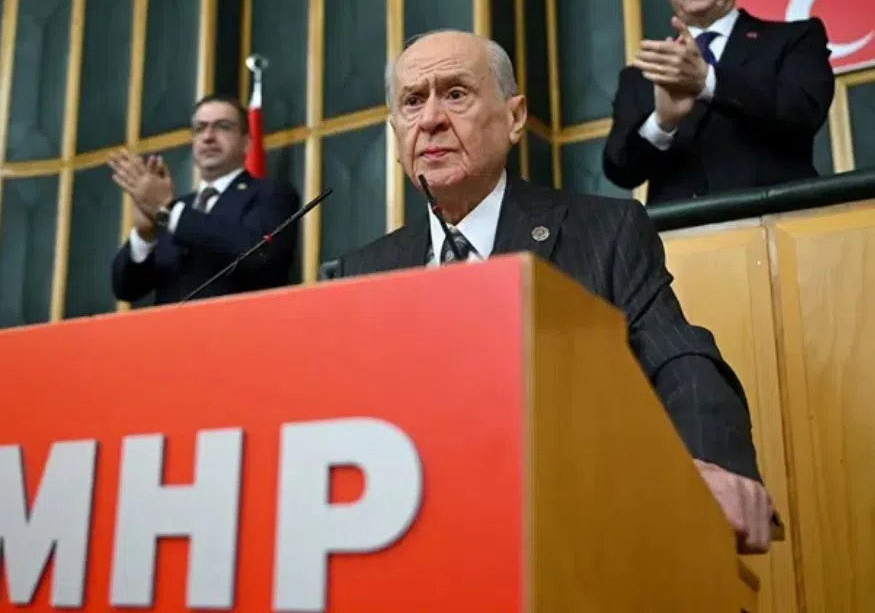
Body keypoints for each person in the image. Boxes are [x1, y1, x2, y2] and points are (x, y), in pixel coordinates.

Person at [331, 29, 775, 553]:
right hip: (407, 539)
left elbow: (679, 355)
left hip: (564, 533)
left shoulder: (604, 232)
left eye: (455, 93)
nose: (430, 119)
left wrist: (710, 462)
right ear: (396, 131)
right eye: (412, 101)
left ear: (515, 117)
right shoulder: (361, 273)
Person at [603, 0, 835, 204]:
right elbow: (620, 170)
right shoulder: (643, 74)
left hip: (775, 218)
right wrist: (662, 123)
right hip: (680, 229)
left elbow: (802, 114)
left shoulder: (795, 39)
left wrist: (708, 83)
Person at [108, 95, 301, 304]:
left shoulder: (272, 195)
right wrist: (145, 235)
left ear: (246, 143)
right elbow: (125, 289)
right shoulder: (175, 208)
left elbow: (259, 255)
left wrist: (169, 211)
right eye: (200, 128)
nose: (208, 137)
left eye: (223, 127)